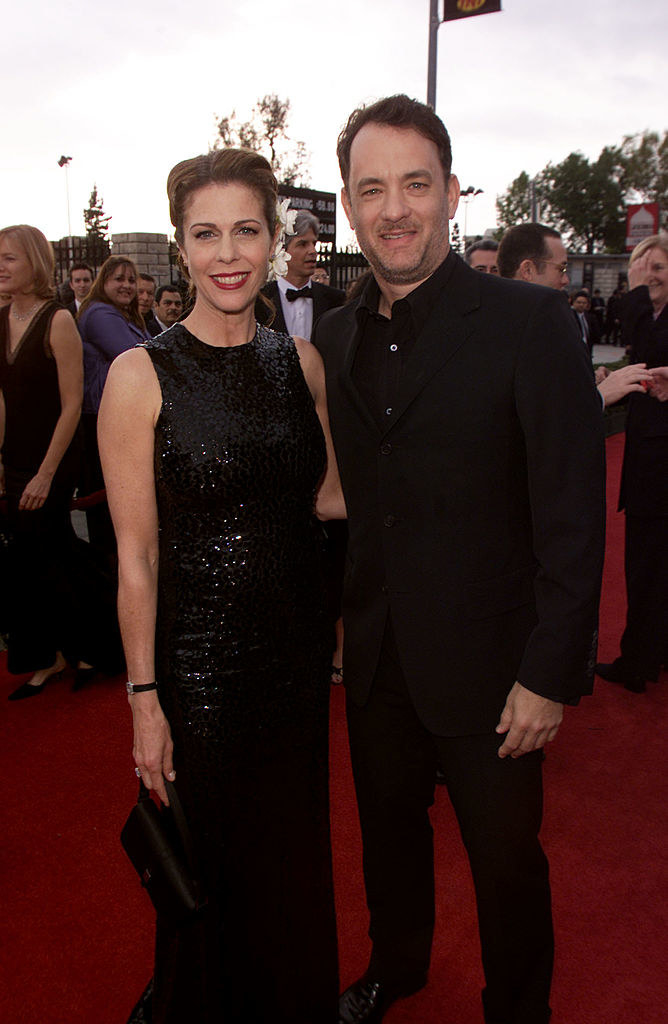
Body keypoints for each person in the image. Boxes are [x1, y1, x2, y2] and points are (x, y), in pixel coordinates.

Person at [313, 95, 606, 1024]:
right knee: (389, 841)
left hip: (494, 666)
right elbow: (349, 504)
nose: (393, 208)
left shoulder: (530, 322)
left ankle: (518, 1009)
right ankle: (394, 968)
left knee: (507, 861)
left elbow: (572, 511)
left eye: (414, 184)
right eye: (372, 189)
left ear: (448, 192)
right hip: (377, 654)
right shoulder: (334, 335)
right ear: (350, 207)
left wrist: (550, 673)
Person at [98, 147, 344, 1023]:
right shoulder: (139, 377)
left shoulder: (300, 367)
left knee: (291, 855)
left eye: (247, 230)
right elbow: (136, 555)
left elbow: (329, 501)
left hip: (295, 661)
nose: (229, 252)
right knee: (214, 868)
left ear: (277, 239)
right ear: (181, 247)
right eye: (207, 234)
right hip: (199, 671)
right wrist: (143, 698)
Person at [0, 225, 106, 698]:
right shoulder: (1, 317)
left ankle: (85, 647)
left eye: (9, 259)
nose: (1, 267)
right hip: (15, 456)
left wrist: (46, 473)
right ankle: (61, 653)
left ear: (35, 264)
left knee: (49, 551)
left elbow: (71, 403)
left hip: (56, 457)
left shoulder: (58, 319)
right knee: (34, 559)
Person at [596, 234, 668, 692]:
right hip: (650, 460)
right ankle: (654, 653)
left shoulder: (652, 313)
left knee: (646, 567)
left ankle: (638, 662)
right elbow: (645, 356)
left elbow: (642, 340)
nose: (649, 276)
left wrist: (638, 292)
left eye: (657, 268)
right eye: (642, 269)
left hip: (657, 469)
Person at [499, 225, 652, 408]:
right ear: (528, 270)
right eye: (561, 269)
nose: (566, 280)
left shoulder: (537, 324)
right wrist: (600, 396)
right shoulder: (507, 333)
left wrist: (590, 383)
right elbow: (540, 416)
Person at [77, 256, 149, 562]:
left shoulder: (124, 315)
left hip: (119, 416)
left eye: (131, 280)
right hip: (101, 418)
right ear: (103, 282)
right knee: (107, 512)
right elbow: (135, 356)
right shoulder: (100, 314)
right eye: (118, 279)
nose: (127, 286)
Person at [261, 210, 345, 339]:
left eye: (314, 244)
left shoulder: (337, 300)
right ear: (282, 250)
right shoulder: (260, 301)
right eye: (303, 244)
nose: (312, 251)